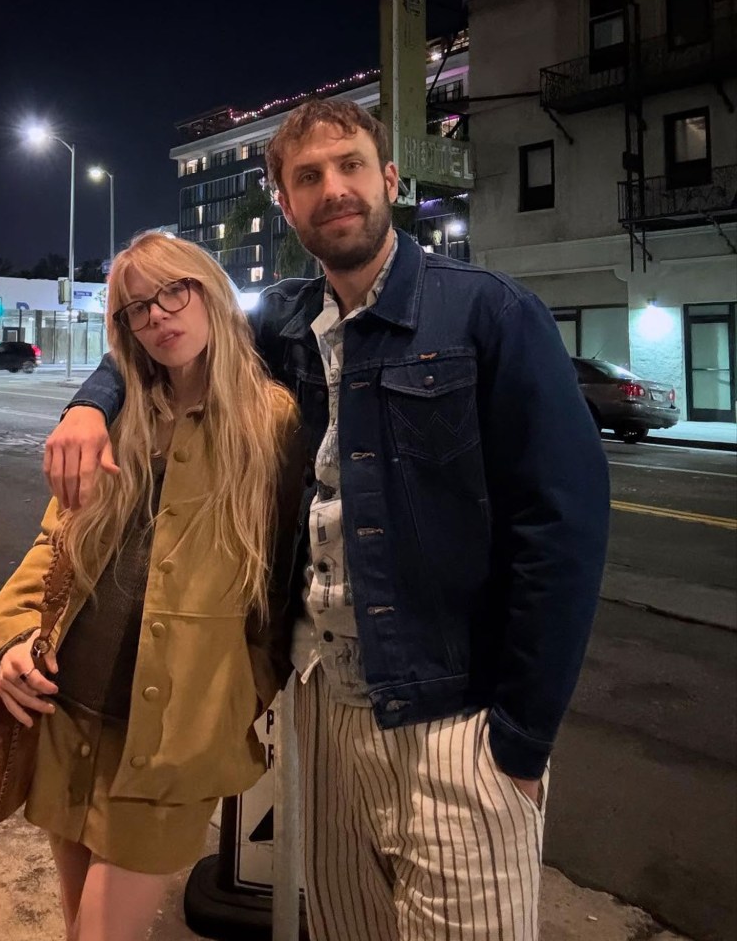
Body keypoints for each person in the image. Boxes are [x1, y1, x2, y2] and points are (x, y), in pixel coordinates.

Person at [44, 99, 611, 939]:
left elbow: (561, 529)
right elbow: (166, 332)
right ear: (285, 203)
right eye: (307, 177)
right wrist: (93, 404)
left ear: (388, 180)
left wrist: (522, 741)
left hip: (454, 718)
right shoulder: (280, 322)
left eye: (350, 166)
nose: (333, 189)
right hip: (322, 707)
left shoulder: (489, 314)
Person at [0, 232, 304, 941]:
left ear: (211, 292)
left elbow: (282, 581)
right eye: (136, 308)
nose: (158, 316)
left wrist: (245, 691)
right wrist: (11, 638)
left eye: (174, 292)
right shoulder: (117, 412)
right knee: (77, 926)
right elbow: (54, 542)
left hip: (174, 736)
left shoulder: (271, 418)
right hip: (68, 710)